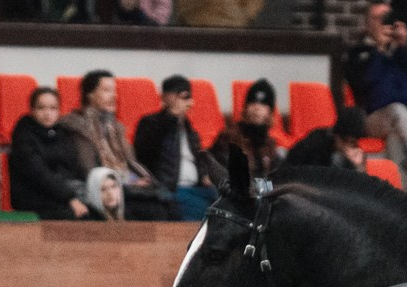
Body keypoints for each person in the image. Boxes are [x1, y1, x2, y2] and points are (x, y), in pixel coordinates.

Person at [61, 69, 173, 219]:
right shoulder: (77, 127)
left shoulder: (116, 127)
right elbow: (88, 169)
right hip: (104, 188)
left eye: (114, 91)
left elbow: (131, 162)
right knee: (153, 210)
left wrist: (143, 180)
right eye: (106, 90)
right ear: (90, 95)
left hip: (126, 185)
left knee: (168, 202)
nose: (114, 96)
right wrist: (125, 182)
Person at [345, 2, 407, 167]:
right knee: (397, 110)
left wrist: (403, 48)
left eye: (388, 17)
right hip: (376, 117)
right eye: (378, 18)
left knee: (396, 136)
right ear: (368, 24)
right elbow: (361, 84)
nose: (384, 22)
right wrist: (379, 51)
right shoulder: (359, 53)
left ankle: (400, 189)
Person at [132, 74, 220, 219]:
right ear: (166, 97)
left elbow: (197, 158)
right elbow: (144, 153)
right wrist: (171, 117)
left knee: (225, 204)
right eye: (181, 96)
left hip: (197, 188)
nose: (187, 102)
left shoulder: (189, 129)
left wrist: (204, 175)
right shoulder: (150, 123)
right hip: (170, 188)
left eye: (187, 97)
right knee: (199, 212)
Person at [6, 87, 94, 220]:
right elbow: (39, 174)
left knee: (105, 206)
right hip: (33, 195)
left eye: (53, 108)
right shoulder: (23, 136)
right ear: (32, 110)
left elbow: (73, 168)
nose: (47, 113)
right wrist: (70, 198)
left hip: (62, 192)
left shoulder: (62, 133)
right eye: (41, 108)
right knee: (80, 215)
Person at [211, 79, 286, 186]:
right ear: (245, 108)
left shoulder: (271, 146)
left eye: (263, 104)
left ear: (270, 112)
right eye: (252, 102)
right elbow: (223, 178)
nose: (257, 108)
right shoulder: (229, 138)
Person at [282, 106, 367, 181]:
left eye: (354, 143)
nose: (349, 147)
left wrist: (358, 167)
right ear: (337, 137)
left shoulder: (353, 153)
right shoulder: (315, 145)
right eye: (348, 142)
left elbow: (360, 189)